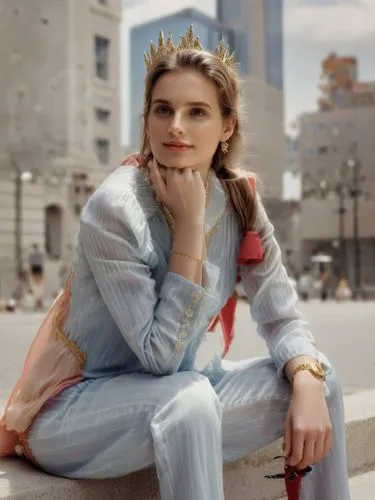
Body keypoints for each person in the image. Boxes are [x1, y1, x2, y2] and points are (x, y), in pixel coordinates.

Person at [0, 27, 350, 500]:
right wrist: (188, 226)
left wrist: (306, 377)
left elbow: (282, 313)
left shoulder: (240, 202)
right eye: (163, 110)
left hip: (177, 396)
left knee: (319, 378)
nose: (176, 126)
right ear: (147, 119)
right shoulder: (115, 210)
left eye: (197, 112)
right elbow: (160, 357)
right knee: (190, 401)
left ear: (227, 127)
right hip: (75, 413)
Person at [28, 243, 45, 311]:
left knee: (36, 286)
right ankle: (38, 303)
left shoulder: (31, 254)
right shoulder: (40, 253)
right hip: (38, 268)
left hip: (35, 269)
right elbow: (41, 262)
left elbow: (31, 263)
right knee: (38, 286)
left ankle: (38, 303)